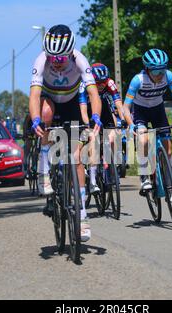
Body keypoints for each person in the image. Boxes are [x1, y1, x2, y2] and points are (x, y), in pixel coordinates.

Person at [29, 24, 102, 242]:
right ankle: (44, 167)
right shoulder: (41, 61)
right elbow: (34, 96)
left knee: (77, 158)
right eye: (52, 58)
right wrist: (35, 120)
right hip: (49, 101)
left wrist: (96, 116)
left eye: (61, 59)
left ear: (70, 53)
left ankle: (82, 215)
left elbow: (93, 94)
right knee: (45, 112)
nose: (56, 63)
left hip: (71, 105)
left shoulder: (80, 59)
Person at [122, 49, 172, 195]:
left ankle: (169, 176)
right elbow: (126, 107)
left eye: (162, 71)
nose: (160, 75)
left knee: (168, 149)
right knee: (143, 141)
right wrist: (131, 125)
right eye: (156, 72)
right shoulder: (138, 80)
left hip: (158, 110)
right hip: (140, 112)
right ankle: (144, 177)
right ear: (147, 69)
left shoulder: (168, 76)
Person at [79, 62, 126, 194]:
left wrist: (122, 119)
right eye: (98, 82)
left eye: (103, 82)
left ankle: (110, 165)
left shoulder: (110, 83)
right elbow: (82, 110)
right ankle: (93, 180)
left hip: (104, 110)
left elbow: (118, 103)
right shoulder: (84, 85)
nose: (101, 85)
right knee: (93, 139)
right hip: (87, 112)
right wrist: (88, 124)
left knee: (113, 137)